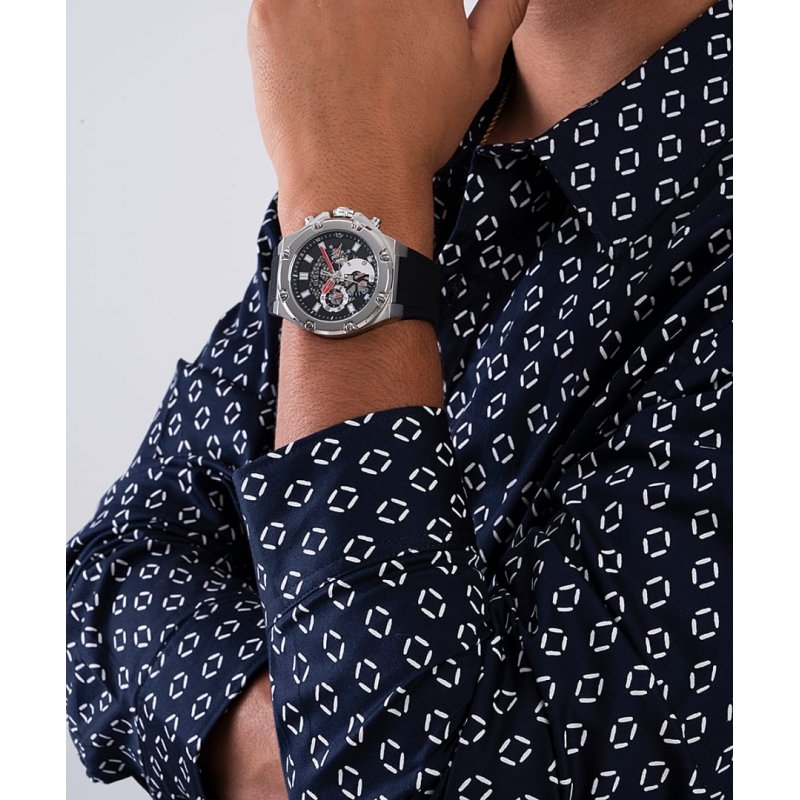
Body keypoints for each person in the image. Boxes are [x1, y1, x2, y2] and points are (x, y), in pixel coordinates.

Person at [66, 0, 732, 798]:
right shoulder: (406, 121)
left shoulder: (369, 151)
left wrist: (354, 190)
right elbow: (105, 580)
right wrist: (315, 741)